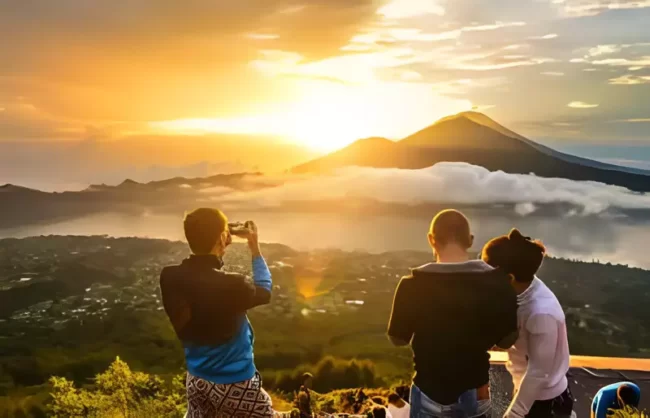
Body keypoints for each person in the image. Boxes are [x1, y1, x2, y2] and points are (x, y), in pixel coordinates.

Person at [387, 209, 519, 418]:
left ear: (432, 240)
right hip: (475, 392)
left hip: (428, 391)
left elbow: (397, 338)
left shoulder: (411, 285)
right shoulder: (498, 283)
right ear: (470, 240)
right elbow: (506, 340)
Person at [160, 208, 274, 417]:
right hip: (235, 384)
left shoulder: (170, 277)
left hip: (196, 381)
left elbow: (203, 280)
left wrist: (218, 233)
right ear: (223, 237)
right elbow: (264, 290)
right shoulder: (234, 285)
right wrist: (254, 247)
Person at [481, 229, 573, 418]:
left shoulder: (541, 313)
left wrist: (514, 414)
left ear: (509, 278)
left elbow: (539, 373)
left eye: (487, 272)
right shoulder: (522, 287)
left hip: (543, 402)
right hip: (527, 390)